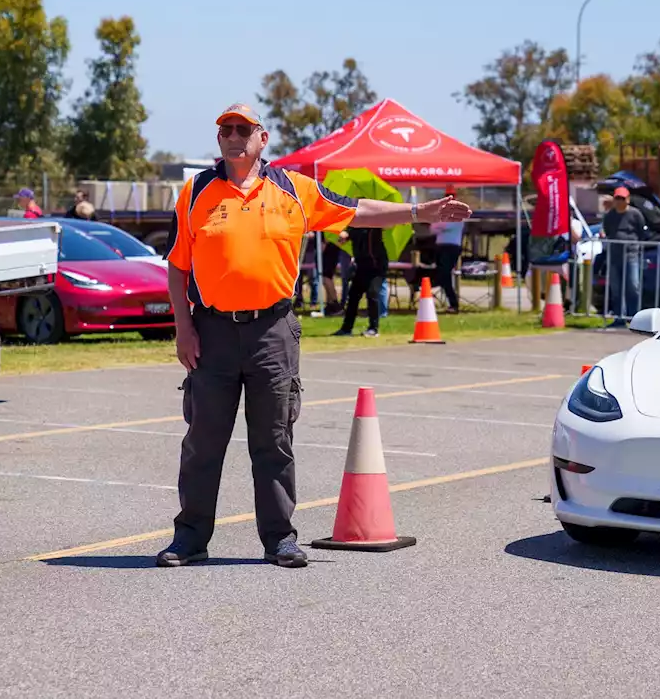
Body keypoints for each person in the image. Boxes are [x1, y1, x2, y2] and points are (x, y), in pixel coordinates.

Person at [156, 102, 471, 570]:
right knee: (203, 440)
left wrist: (417, 210)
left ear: (263, 139)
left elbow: (358, 210)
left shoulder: (294, 190)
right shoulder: (197, 191)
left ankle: (280, 539)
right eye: (226, 131)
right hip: (213, 331)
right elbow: (179, 266)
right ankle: (190, 538)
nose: (234, 137)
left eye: (244, 129)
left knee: (274, 439)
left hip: (273, 331)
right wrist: (183, 328)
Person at [600, 186, 650, 326]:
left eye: (622, 198)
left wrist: (637, 246)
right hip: (614, 255)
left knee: (633, 286)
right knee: (616, 288)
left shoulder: (636, 214)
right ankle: (619, 318)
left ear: (628, 199)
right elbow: (608, 231)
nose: (620, 201)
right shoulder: (610, 216)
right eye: (617, 198)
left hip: (631, 255)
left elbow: (641, 232)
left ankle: (634, 318)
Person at [333, 224, 388, 337]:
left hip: (377, 266)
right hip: (361, 265)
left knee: (372, 293)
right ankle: (346, 329)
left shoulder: (375, 224)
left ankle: (373, 328)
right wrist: (345, 235)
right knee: (353, 296)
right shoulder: (355, 226)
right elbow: (348, 234)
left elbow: (384, 223)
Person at [431, 187, 464, 313]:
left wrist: (440, 225)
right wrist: (440, 225)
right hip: (440, 246)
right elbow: (433, 228)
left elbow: (446, 226)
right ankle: (451, 302)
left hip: (451, 247)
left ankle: (453, 303)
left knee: (444, 274)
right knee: (441, 274)